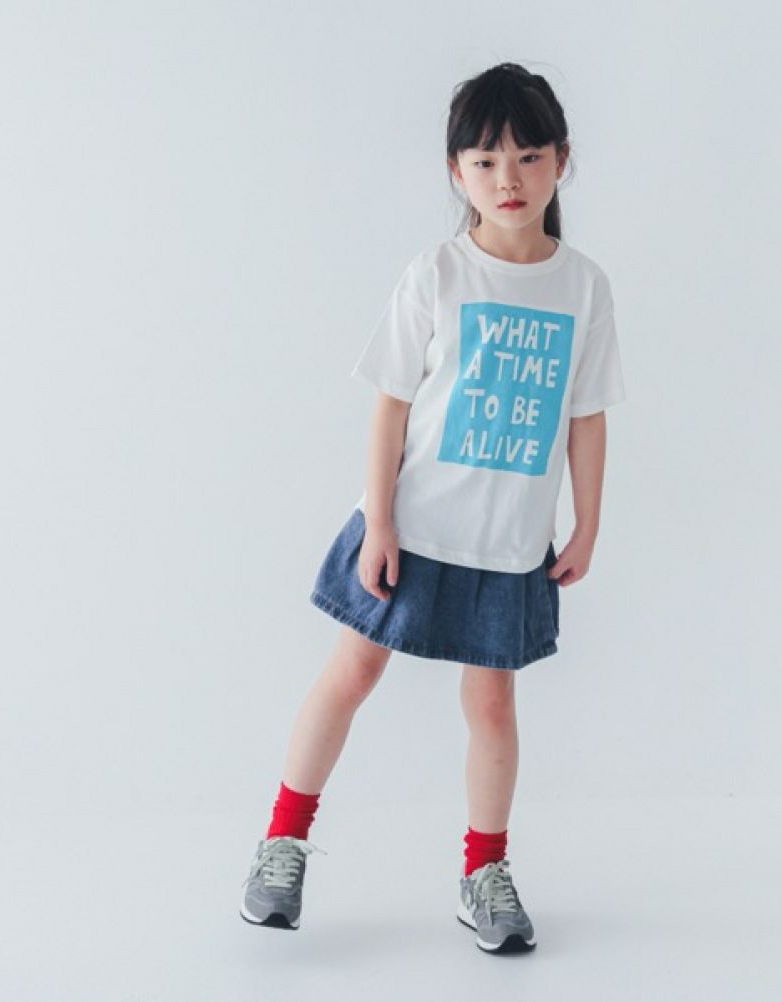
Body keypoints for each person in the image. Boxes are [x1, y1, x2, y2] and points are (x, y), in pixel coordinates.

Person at [240, 62, 627, 954]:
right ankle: (282, 844)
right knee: (353, 673)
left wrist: (589, 522)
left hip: (509, 543)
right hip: (413, 528)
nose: (508, 180)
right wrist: (380, 521)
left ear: (562, 161)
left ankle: (484, 872)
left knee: (492, 706)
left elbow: (587, 414)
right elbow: (391, 403)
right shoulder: (439, 273)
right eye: (485, 162)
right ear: (457, 171)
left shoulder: (584, 287)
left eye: (528, 158)